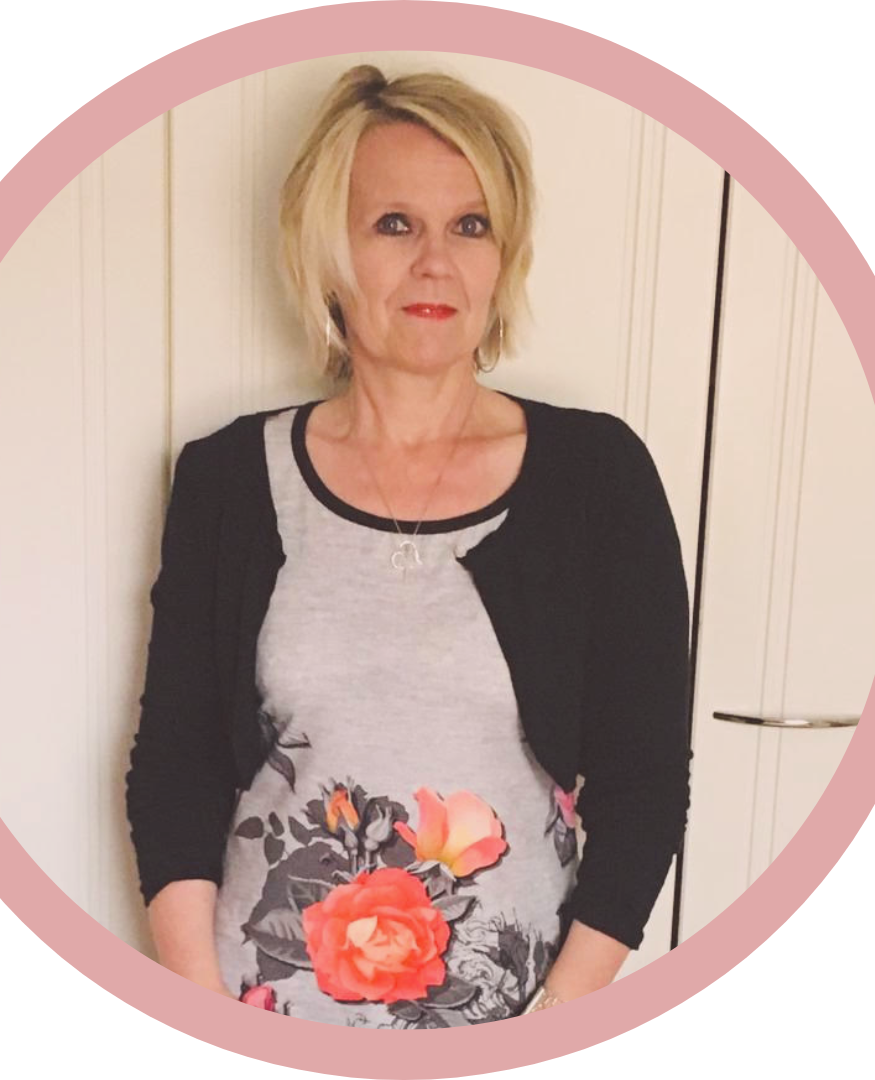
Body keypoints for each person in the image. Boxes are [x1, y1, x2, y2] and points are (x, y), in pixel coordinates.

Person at [126, 64, 691, 1028]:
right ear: (327, 253)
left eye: (471, 225)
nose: (436, 262)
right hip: (260, 1009)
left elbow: (645, 784)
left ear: (505, 256)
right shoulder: (227, 478)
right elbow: (175, 765)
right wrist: (201, 1004)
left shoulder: (598, 475)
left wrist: (558, 1016)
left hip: (515, 1014)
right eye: (394, 224)